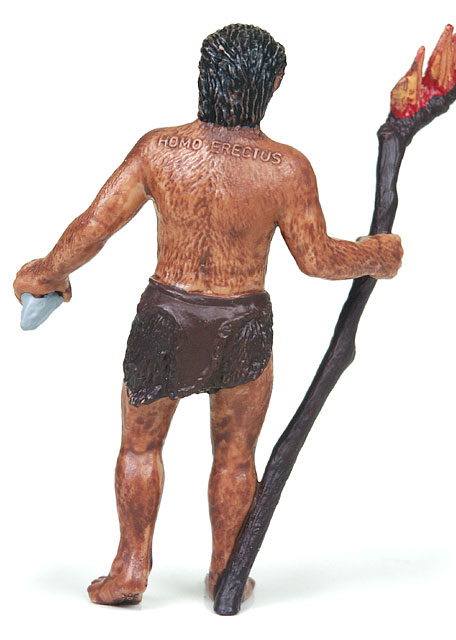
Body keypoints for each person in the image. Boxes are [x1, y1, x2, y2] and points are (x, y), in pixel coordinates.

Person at [13, 24, 403, 606]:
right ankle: (226, 572)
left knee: (139, 448)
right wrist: (378, 254)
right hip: (242, 324)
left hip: (166, 319)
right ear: (274, 83)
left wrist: (47, 272)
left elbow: (95, 225)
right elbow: (318, 259)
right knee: (236, 457)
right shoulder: (286, 168)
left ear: (203, 76)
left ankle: (130, 568)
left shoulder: (159, 149)